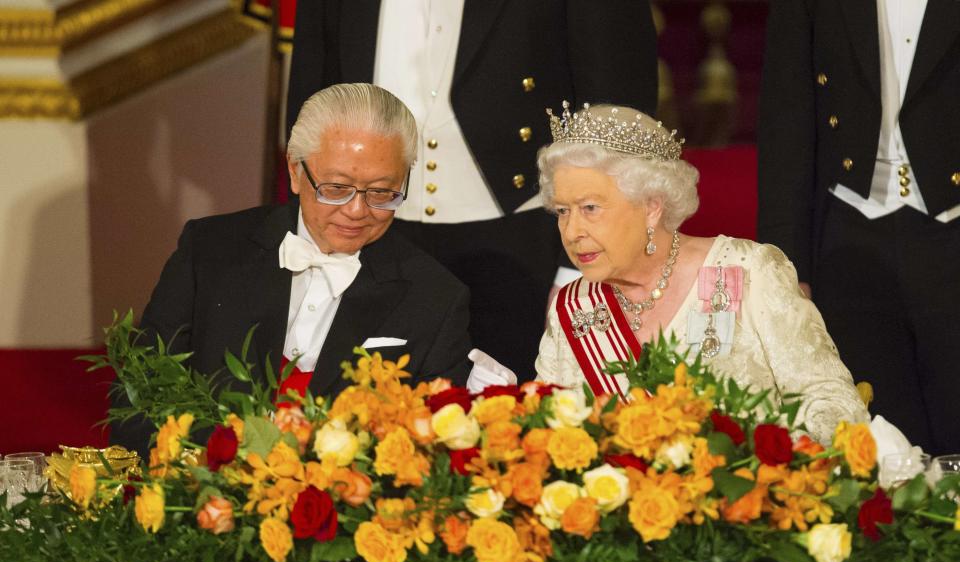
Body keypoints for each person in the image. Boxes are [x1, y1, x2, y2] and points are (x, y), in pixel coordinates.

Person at [285, 0, 658, 381]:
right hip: (369, 231)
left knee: (517, 419)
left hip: (521, 241)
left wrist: (580, 264)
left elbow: (617, 113)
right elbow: (312, 100)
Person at [110, 83, 471, 458]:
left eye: (382, 192)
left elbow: (432, 449)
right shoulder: (211, 251)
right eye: (337, 187)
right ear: (296, 172)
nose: (356, 210)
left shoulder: (436, 297)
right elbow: (138, 398)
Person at [535, 103, 869, 443]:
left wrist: (759, 467)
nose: (572, 230)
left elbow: (835, 405)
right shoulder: (574, 308)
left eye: (590, 208)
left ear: (652, 206)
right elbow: (548, 433)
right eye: (562, 211)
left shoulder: (746, 271)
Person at [757, 2, 960, 455]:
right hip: (850, 235)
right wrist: (783, 267)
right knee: (877, 448)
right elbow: (786, 117)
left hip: (953, 232)